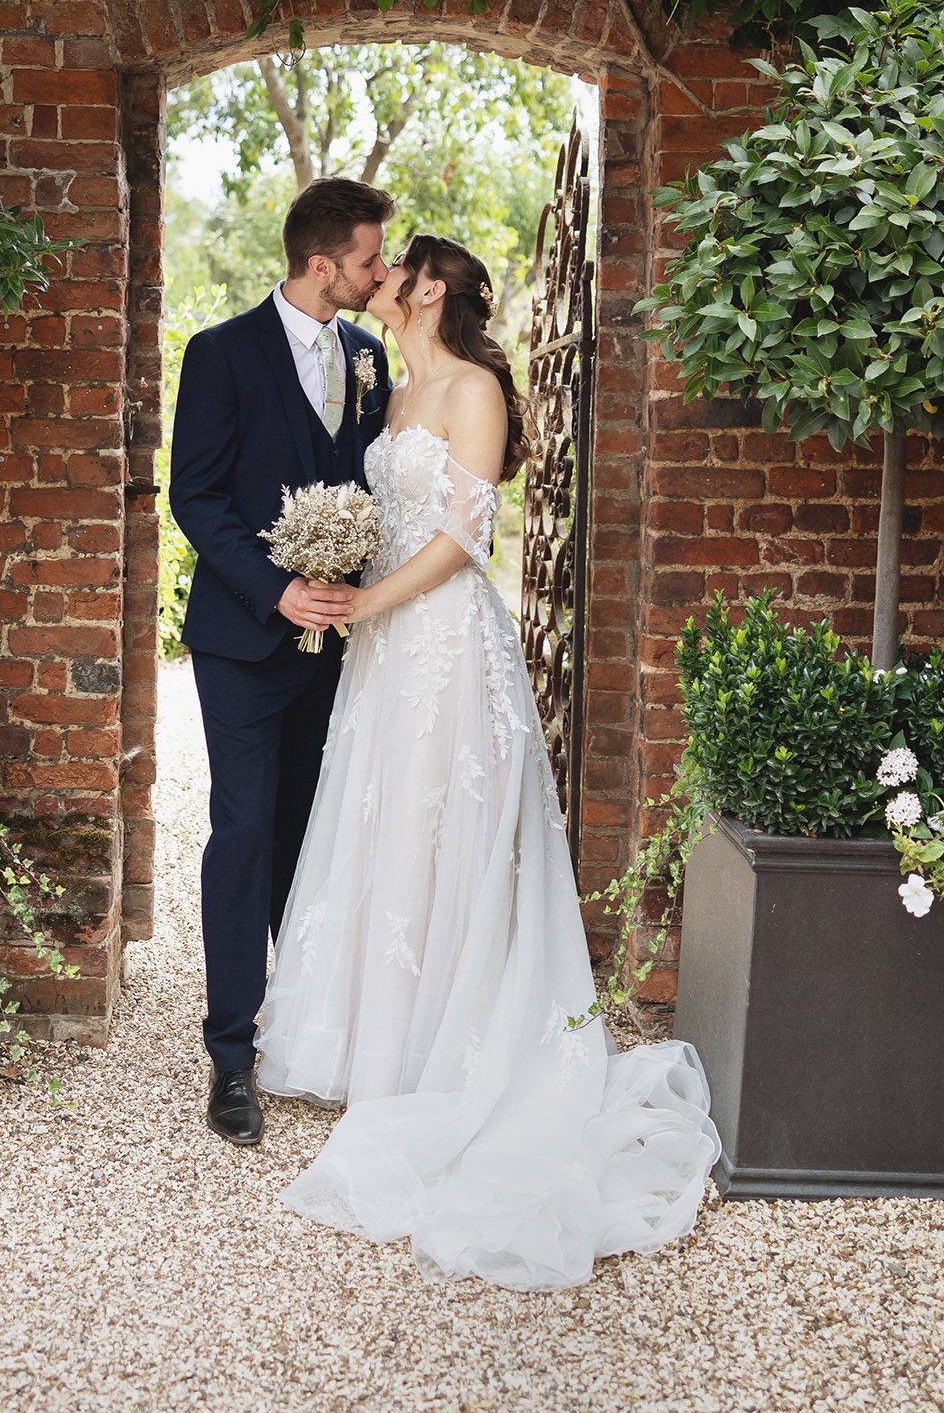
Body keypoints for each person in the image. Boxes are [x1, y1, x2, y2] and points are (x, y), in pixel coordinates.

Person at [254, 232, 720, 1291]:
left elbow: (465, 537)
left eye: (392, 270)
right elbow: (383, 514)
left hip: (447, 648)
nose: (376, 283)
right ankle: (381, 1043)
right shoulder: (387, 393)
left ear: (425, 289)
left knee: (444, 827)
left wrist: (367, 597)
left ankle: (446, 1050)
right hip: (382, 652)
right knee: (381, 824)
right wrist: (333, 568)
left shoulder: (472, 389)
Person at [166, 176, 395, 1147]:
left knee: (314, 835)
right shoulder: (219, 354)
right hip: (243, 640)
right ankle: (230, 1053)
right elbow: (196, 496)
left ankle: (308, 1025)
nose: (380, 273)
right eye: (369, 258)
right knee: (245, 830)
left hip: (340, 645)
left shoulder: (370, 356)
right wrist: (275, 587)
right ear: (320, 263)